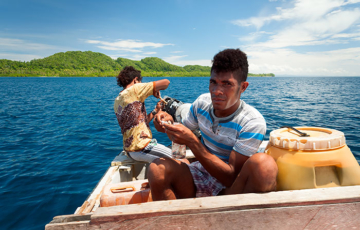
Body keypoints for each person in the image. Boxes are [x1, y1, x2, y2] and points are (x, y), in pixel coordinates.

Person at [148, 49, 278, 200]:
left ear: (243, 87)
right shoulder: (201, 103)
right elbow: (180, 139)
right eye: (213, 82)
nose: (217, 91)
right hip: (201, 173)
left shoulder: (252, 122)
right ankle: (180, 221)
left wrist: (192, 141)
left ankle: (231, 218)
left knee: (264, 165)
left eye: (227, 84)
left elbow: (229, 177)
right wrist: (167, 124)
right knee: (156, 169)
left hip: (231, 189)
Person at [114, 66, 173, 163]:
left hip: (131, 151)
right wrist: (154, 90)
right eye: (140, 81)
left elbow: (140, 123)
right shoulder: (135, 88)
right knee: (180, 159)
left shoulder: (118, 100)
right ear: (136, 80)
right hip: (142, 146)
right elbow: (166, 82)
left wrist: (156, 110)